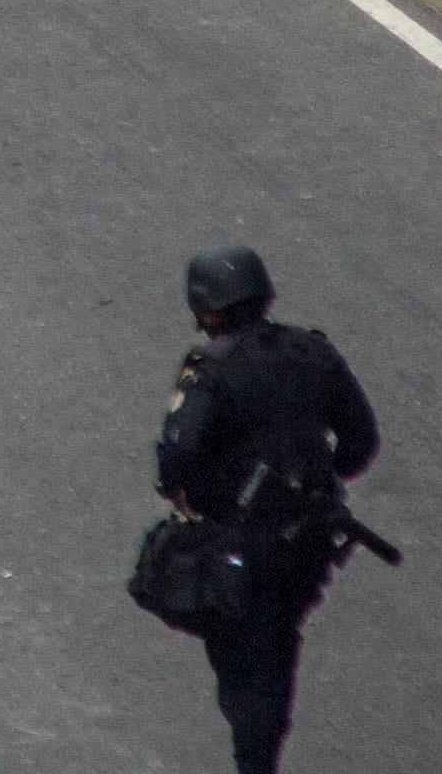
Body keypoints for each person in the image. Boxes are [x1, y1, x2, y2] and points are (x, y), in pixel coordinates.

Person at [150, 241, 379, 774]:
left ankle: (256, 758)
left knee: (241, 663)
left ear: (207, 309)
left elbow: (176, 454)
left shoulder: (210, 369)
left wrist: (192, 495)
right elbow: (360, 441)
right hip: (309, 541)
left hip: (238, 547)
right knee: (278, 641)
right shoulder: (312, 352)